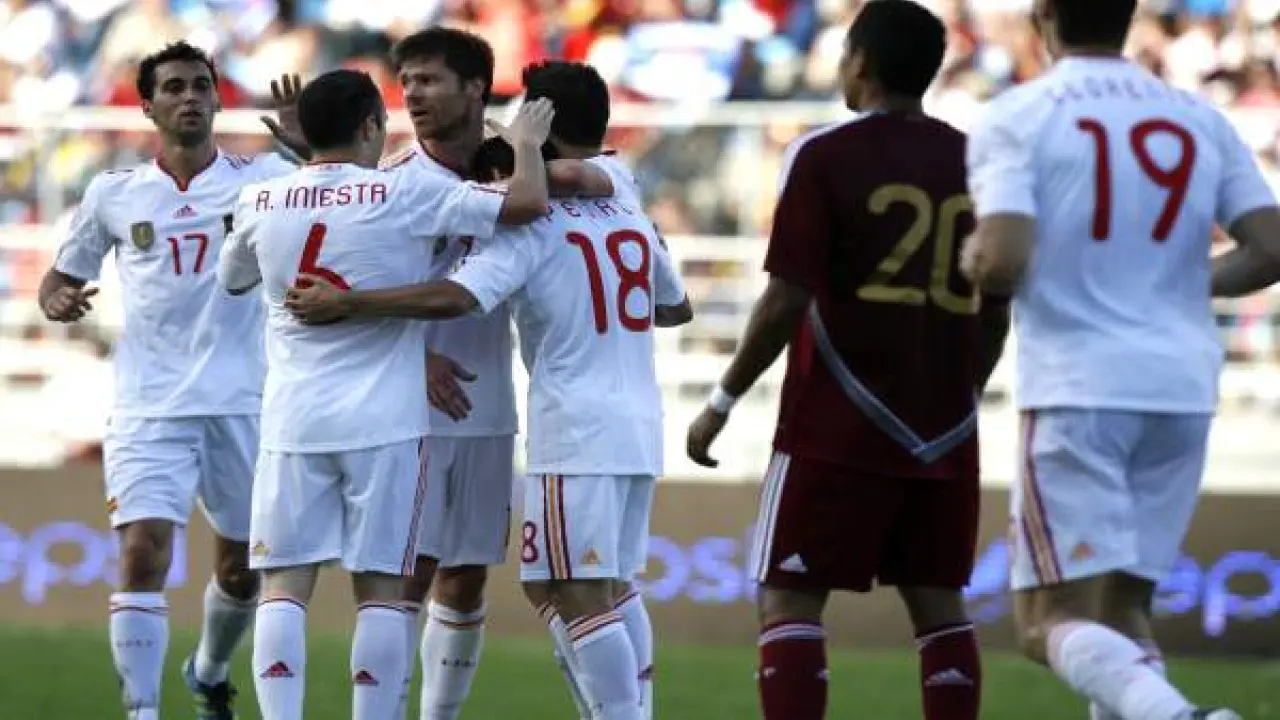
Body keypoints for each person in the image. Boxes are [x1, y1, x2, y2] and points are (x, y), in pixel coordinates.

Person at [281, 77, 692, 720]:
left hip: (576, 428)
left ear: (540, 126)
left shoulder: (534, 225)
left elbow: (455, 296)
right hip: (640, 423)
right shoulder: (627, 203)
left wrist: (351, 302)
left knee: (576, 590)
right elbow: (675, 308)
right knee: (590, 586)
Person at [684, 2, 1010, 718]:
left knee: (789, 597)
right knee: (940, 606)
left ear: (859, 62)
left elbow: (785, 298)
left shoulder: (824, 154)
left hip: (835, 418)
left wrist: (721, 401)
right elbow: (995, 310)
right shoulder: (980, 162)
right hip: (943, 428)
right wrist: (962, 394)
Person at [961, 0, 1280, 717]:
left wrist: (974, 256)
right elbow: (1271, 247)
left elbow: (1003, 256)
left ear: (1044, 15)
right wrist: (1178, 283)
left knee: (1046, 620)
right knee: (1121, 608)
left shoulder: (1018, 115)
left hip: (1079, 386)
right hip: (1182, 387)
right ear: (1129, 14)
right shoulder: (1195, 116)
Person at [215, 68, 552, 720]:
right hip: (386, 423)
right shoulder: (406, 192)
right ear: (372, 125)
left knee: (284, 584)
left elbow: (233, 279)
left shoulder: (260, 198)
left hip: (294, 421)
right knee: (382, 591)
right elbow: (526, 204)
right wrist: (529, 143)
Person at [37, 41, 299, 720]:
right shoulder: (114, 192)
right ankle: (143, 712)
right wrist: (57, 299)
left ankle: (208, 670)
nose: (189, 97)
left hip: (244, 402)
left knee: (242, 569)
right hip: (148, 405)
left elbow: (343, 207)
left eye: (200, 86)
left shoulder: (265, 178)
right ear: (148, 107)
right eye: (174, 87)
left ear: (217, 99)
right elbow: (58, 279)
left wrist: (310, 156)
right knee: (142, 551)